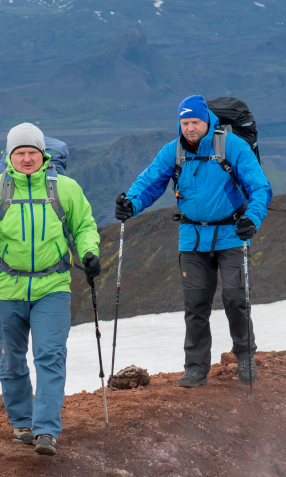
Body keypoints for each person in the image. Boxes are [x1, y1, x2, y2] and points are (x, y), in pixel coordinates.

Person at [0, 122, 100, 456]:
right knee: (11, 360)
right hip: (7, 289)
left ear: (43, 155)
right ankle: (22, 424)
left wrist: (90, 251)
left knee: (50, 356)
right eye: (19, 153)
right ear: (9, 155)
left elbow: (84, 226)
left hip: (53, 286)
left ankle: (46, 431)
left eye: (32, 152)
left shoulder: (64, 188)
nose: (26, 159)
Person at [113, 95, 272, 388]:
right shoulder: (173, 151)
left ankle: (245, 356)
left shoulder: (231, 146)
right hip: (192, 238)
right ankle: (196, 368)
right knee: (196, 303)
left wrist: (252, 219)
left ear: (207, 120)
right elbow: (149, 184)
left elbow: (259, 186)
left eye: (195, 122)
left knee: (236, 298)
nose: (190, 128)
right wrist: (130, 204)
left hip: (231, 234)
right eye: (184, 123)